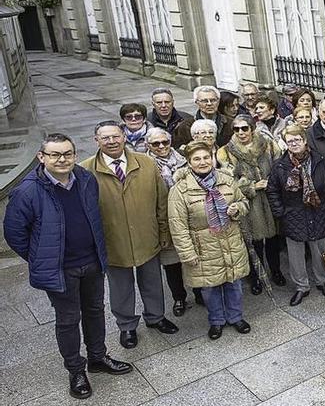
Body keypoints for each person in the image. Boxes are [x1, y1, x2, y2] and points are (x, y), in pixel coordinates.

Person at [4, 134, 132, 400]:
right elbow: (15, 234)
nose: (62, 159)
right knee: (68, 320)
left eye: (67, 154)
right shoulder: (28, 191)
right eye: (55, 154)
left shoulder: (85, 179)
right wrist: (42, 258)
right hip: (61, 271)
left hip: (92, 262)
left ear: (74, 155)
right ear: (42, 157)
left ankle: (98, 357)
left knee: (95, 310)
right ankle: (76, 369)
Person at [80, 121, 178, 350]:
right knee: (120, 287)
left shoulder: (145, 163)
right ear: (97, 141)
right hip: (113, 241)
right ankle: (127, 326)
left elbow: (161, 201)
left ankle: (156, 317)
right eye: (105, 138)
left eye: (115, 136)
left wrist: (163, 231)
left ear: (124, 137)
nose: (112, 141)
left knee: (152, 281)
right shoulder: (85, 170)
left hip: (147, 235)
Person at [167, 141, 252, 340]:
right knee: (210, 287)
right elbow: (177, 226)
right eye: (197, 159)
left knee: (234, 283)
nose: (203, 162)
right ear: (189, 163)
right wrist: (187, 253)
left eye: (206, 157)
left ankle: (236, 317)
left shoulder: (226, 180)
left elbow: (244, 202)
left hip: (230, 241)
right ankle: (217, 321)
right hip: (203, 246)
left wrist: (238, 209)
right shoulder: (180, 191)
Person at [267, 124, 325, 306]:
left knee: (319, 250)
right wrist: (280, 212)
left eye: (297, 139)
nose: (294, 143)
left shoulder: (321, 161)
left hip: (319, 212)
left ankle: (321, 281)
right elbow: (272, 191)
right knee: (295, 254)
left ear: (304, 140)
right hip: (293, 215)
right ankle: (301, 286)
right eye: (289, 140)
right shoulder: (280, 166)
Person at [217, 115, 285, 295]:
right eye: (236, 129)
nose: (241, 132)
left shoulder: (269, 145)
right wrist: (252, 186)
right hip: (248, 202)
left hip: (270, 199)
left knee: (273, 240)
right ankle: (255, 276)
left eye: (244, 128)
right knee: (253, 243)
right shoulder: (226, 152)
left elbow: (280, 167)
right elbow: (228, 180)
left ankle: (276, 271)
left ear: (252, 128)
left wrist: (272, 182)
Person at [145, 128, 198, 315]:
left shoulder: (184, 158)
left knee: (194, 256)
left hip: (189, 216)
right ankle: (179, 298)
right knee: (172, 262)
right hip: (165, 218)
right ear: (147, 145)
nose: (161, 147)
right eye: (155, 144)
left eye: (164, 142)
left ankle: (199, 291)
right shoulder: (145, 165)